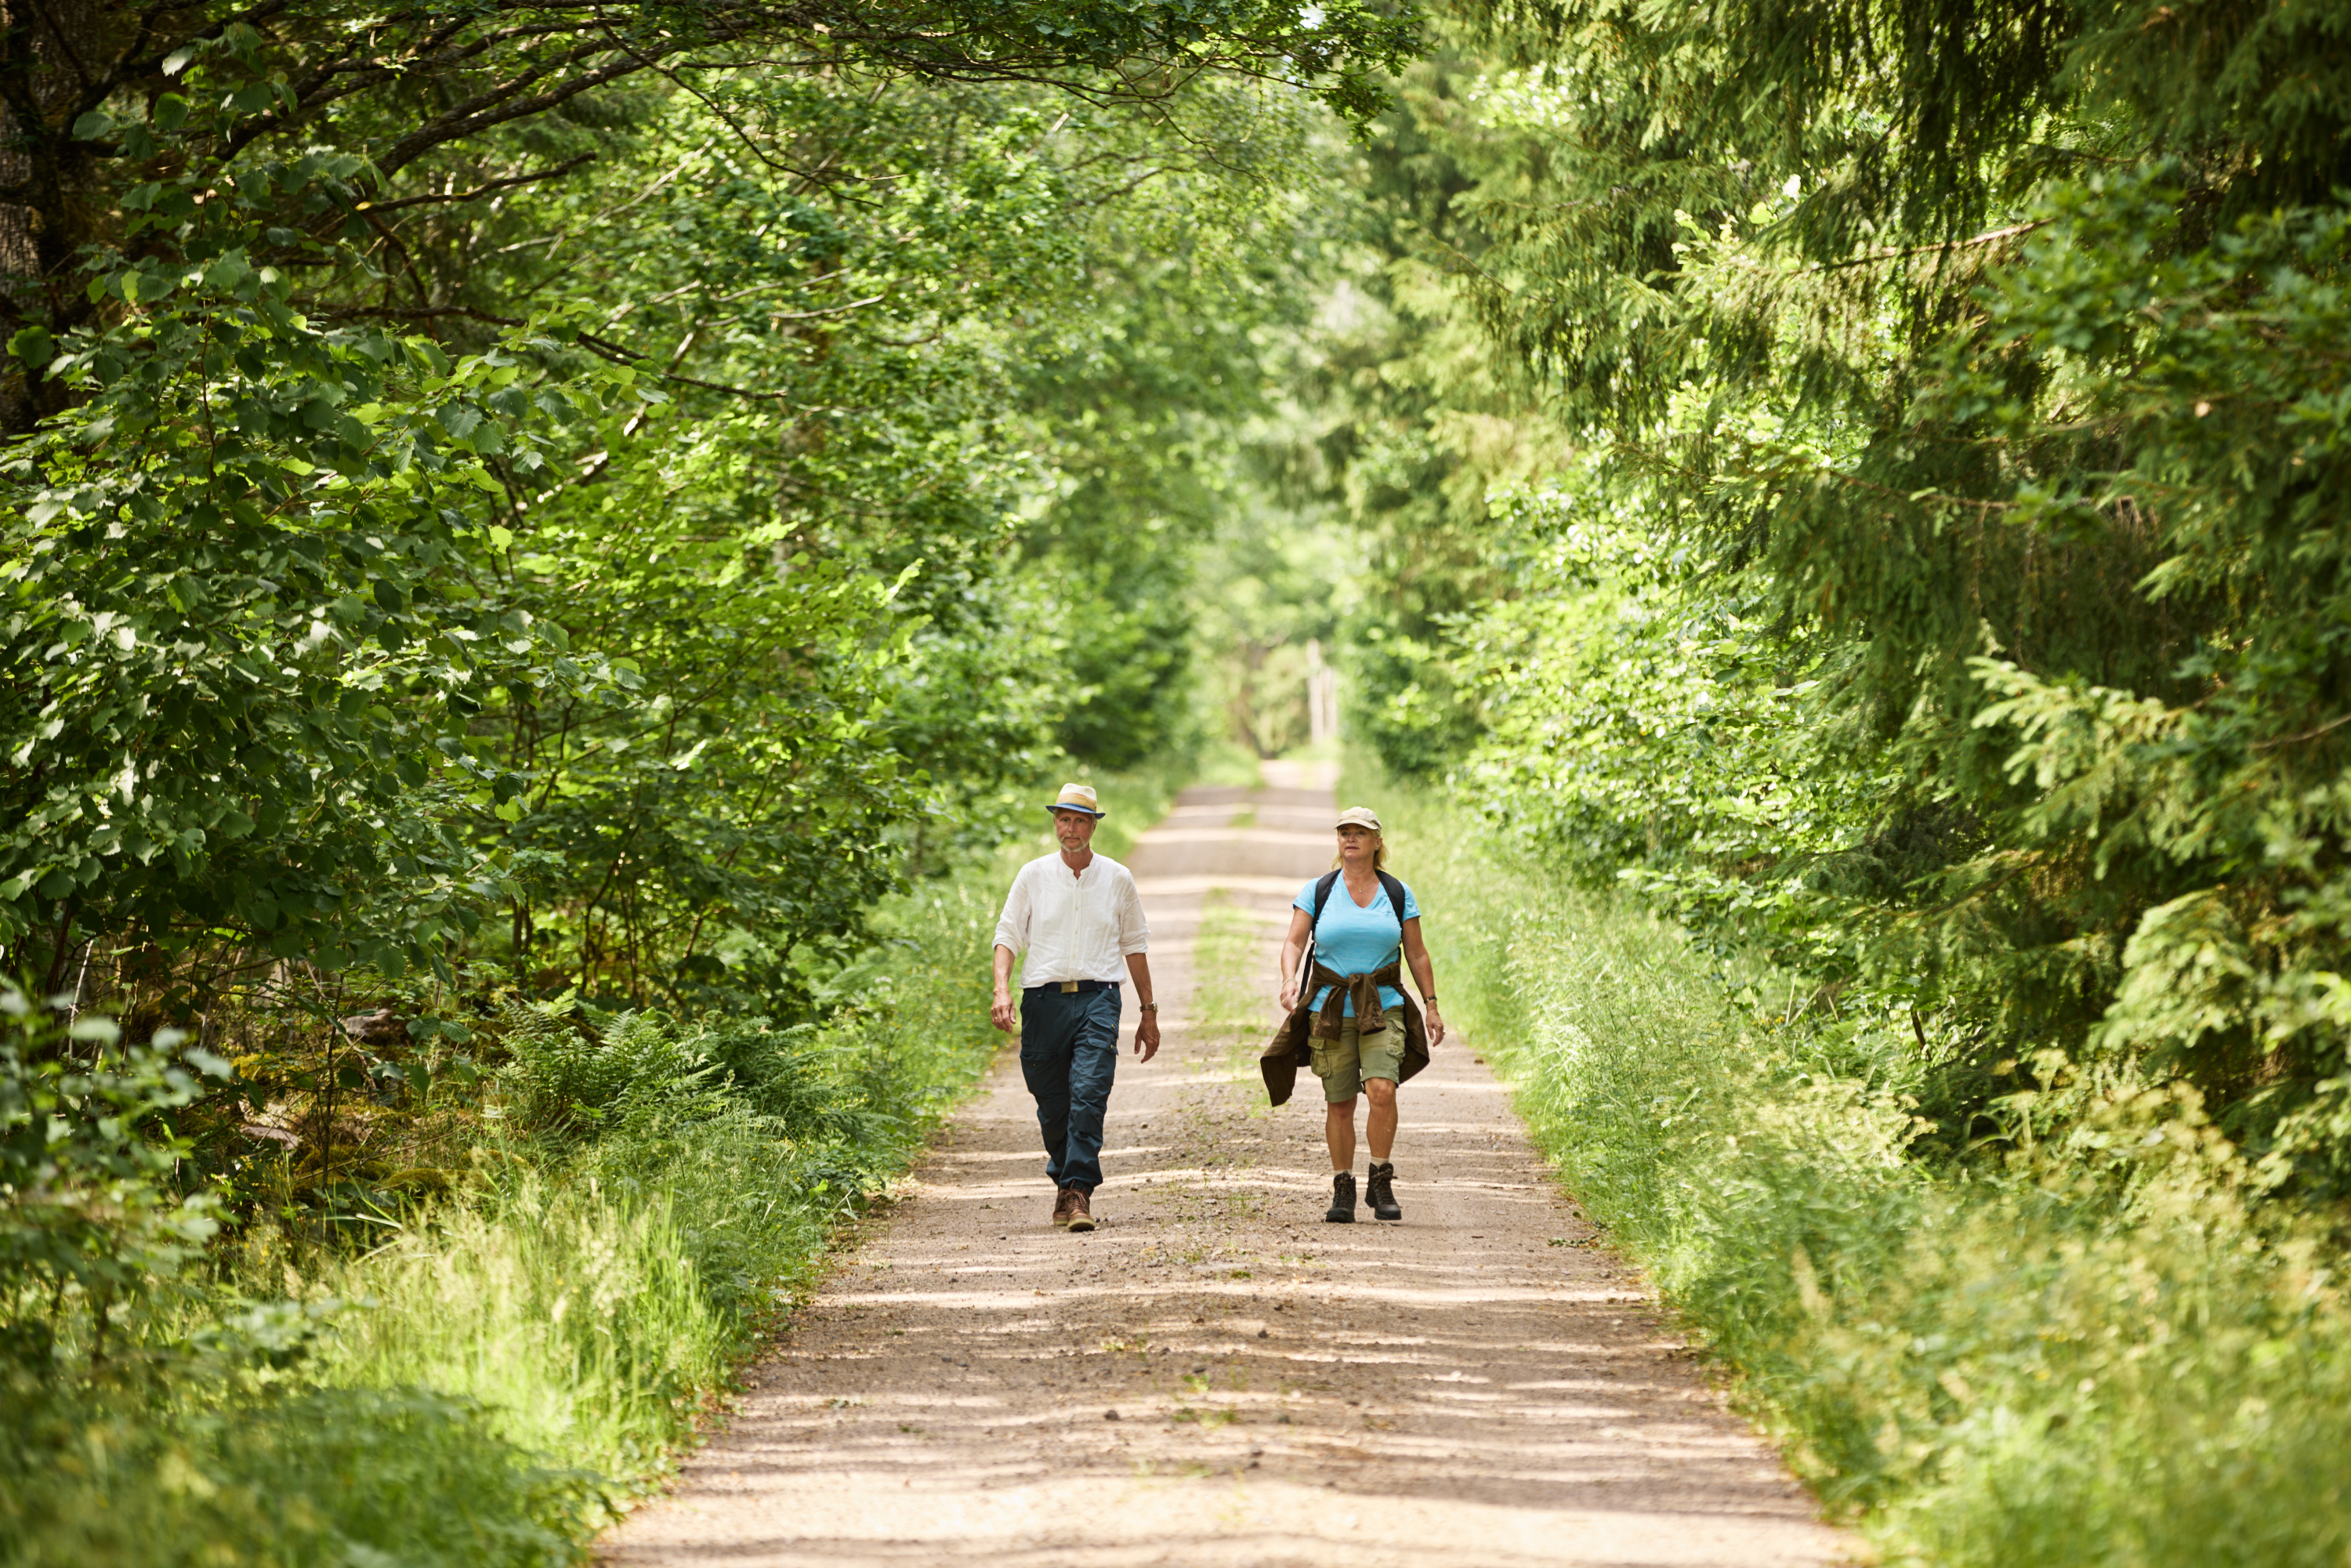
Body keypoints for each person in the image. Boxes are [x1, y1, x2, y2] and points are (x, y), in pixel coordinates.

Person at [1259, 806, 1444, 1223]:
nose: (1351, 838)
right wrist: (1289, 980)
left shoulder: (1397, 893)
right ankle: (1343, 1185)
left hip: (1384, 1007)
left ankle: (1381, 1178)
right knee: (1339, 1102)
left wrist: (1431, 1005)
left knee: (1382, 1089)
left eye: (1361, 832)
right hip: (1330, 1009)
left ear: (1377, 842)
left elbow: (1416, 952)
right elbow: (1293, 943)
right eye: (1345, 831)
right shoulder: (1319, 891)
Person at [991, 782, 1161, 1233]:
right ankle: (1065, 1184)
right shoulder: (1033, 875)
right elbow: (1008, 934)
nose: (1071, 829)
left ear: (1093, 826)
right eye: (1064, 820)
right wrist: (1001, 990)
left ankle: (1079, 1190)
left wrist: (1148, 1010)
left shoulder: (1117, 878)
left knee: (1089, 1094)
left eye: (1080, 820)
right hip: (1043, 1002)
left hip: (1099, 998)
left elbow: (1135, 945)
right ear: (1055, 824)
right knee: (1052, 1104)